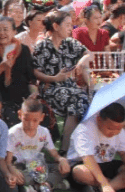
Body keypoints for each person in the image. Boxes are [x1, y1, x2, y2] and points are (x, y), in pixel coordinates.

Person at [32, 11, 92, 153]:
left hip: (69, 87)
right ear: (55, 26)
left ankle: (70, 147)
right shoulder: (42, 46)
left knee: (81, 99)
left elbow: (90, 53)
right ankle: (67, 148)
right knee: (75, 99)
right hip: (50, 87)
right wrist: (54, 78)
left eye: (71, 25)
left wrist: (82, 61)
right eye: (67, 25)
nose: (70, 28)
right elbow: (35, 72)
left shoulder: (71, 43)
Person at [67, 102, 125, 192]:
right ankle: (116, 185)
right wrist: (104, 183)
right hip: (86, 165)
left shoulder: (118, 130)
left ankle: (103, 189)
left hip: (107, 164)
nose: (114, 132)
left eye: (119, 129)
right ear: (99, 119)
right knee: (79, 172)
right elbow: (88, 160)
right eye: (110, 128)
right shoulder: (84, 129)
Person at [5, 98, 71, 192]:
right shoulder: (13, 133)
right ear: (20, 115)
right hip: (21, 167)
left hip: (37, 166)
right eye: (26, 119)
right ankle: (50, 185)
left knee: (62, 168)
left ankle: (39, 187)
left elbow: (54, 154)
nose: (31, 124)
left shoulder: (44, 132)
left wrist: (62, 160)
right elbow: (8, 162)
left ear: (42, 117)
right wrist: (12, 169)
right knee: (18, 178)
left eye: (35, 120)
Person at [0, 16, 35, 127]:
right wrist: (1, 68)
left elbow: (31, 76)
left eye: (5, 29)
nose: (2, 33)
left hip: (21, 95)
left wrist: (34, 93)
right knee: (10, 115)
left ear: (14, 31)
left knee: (40, 111)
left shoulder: (23, 49)